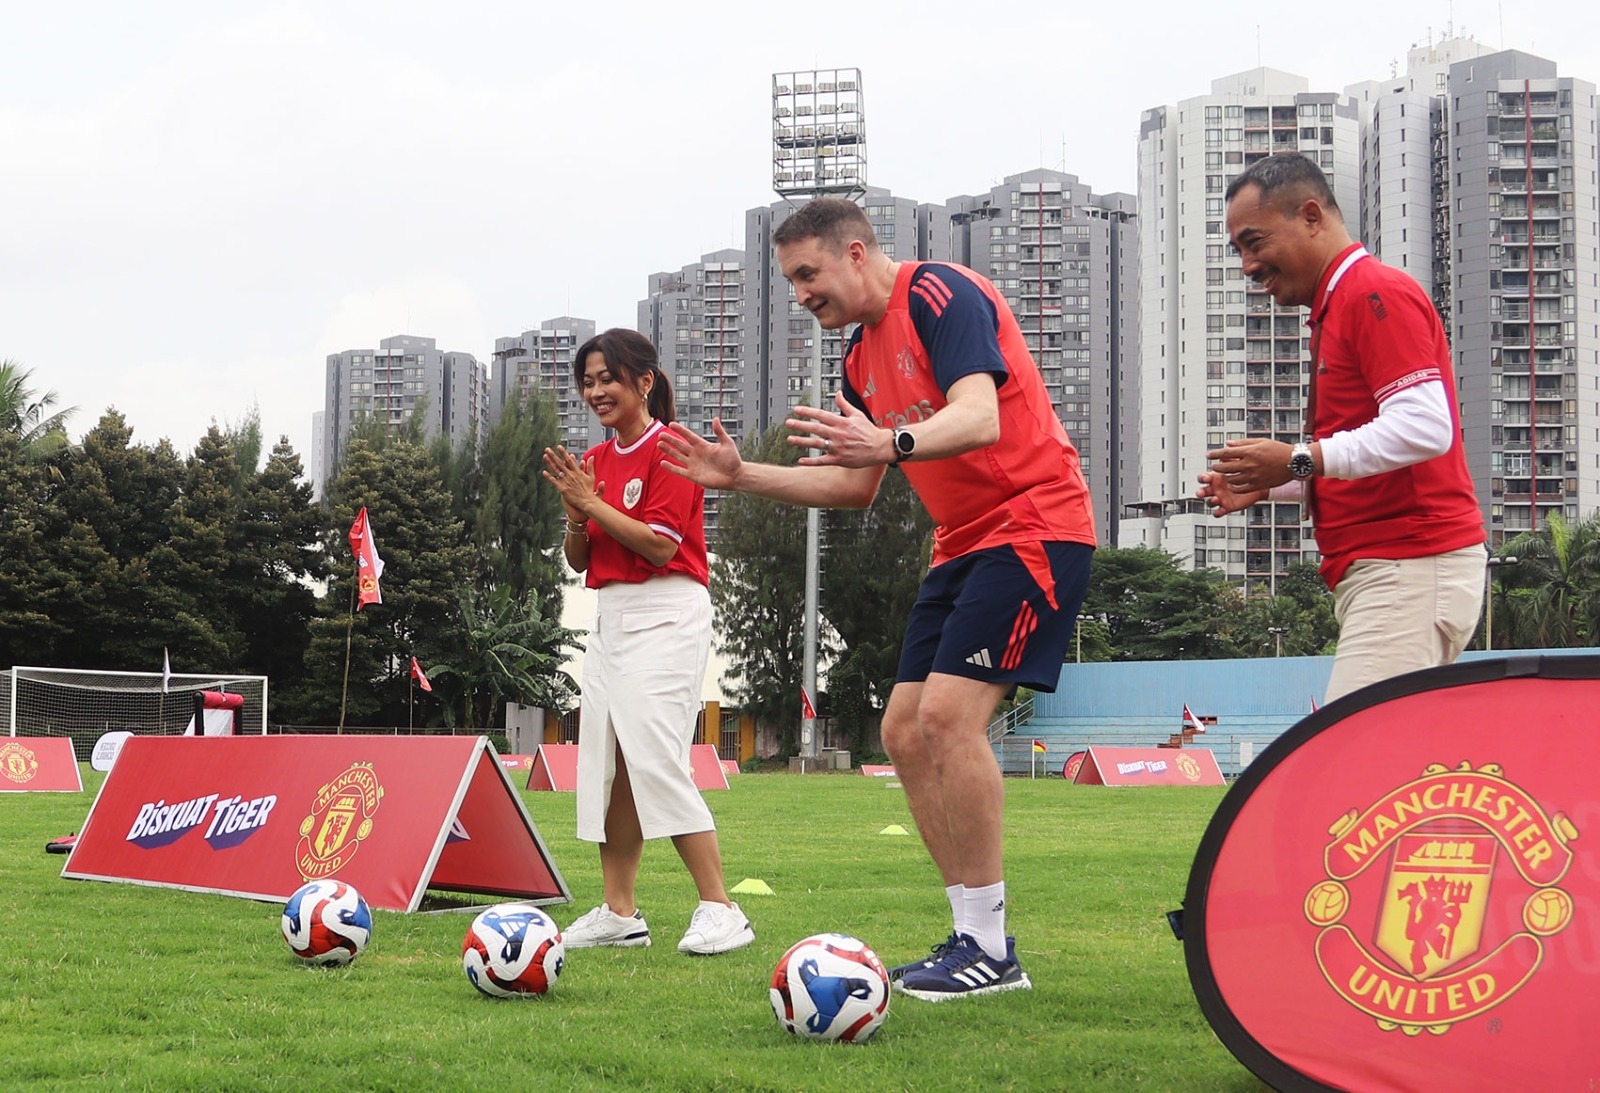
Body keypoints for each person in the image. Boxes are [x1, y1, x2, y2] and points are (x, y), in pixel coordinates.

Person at [658, 198, 1097, 1001]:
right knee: (901, 729)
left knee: (947, 717)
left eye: (808, 274)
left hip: (1036, 525)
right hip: (961, 542)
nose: (801, 294)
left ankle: (991, 950)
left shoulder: (941, 295)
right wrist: (742, 477)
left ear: (855, 253)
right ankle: (971, 936)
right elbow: (854, 486)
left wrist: (891, 440)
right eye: (791, 281)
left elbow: (979, 416)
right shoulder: (860, 359)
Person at [1198, 152, 1485, 703]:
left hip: (1410, 564)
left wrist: (1297, 459)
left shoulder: (1374, 294)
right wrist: (1274, 484)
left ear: (1311, 216)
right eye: (1239, 250)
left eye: (1254, 242)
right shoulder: (1341, 305)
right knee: (1385, 746)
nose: (1248, 266)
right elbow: (1372, 454)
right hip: (1397, 568)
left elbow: (1426, 428)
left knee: (1359, 747)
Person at [542, 327, 753, 956]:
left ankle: (721, 907)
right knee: (609, 765)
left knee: (657, 757)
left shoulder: (673, 450)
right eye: (588, 382)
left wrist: (592, 505)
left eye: (608, 378)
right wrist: (576, 516)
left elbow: (661, 546)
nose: (596, 391)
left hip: (667, 611)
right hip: (611, 615)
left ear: (644, 381)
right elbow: (581, 558)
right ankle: (620, 912)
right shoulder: (595, 462)